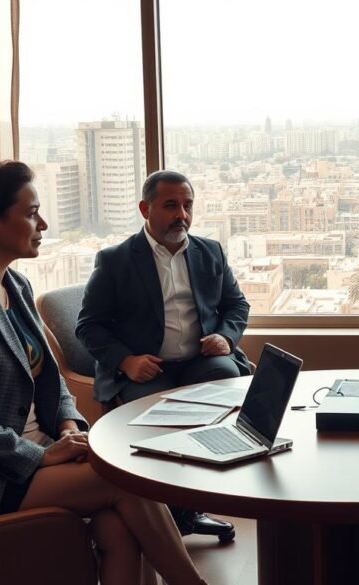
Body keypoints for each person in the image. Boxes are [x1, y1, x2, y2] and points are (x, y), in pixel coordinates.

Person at [0, 160, 208, 585]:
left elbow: (51, 380)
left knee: (118, 528)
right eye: (31, 212)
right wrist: (40, 456)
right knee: (129, 481)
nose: (43, 223)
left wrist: (66, 427)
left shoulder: (15, 286)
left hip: (26, 451)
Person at [77, 169, 251, 539]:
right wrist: (126, 360)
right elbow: (89, 326)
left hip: (200, 361)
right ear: (145, 208)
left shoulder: (211, 252)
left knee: (228, 383)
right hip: (146, 369)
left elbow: (236, 305)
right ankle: (164, 517)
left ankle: (190, 510)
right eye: (171, 205)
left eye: (187, 205)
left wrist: (226, 337)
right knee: (159, 423)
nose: (182, 215)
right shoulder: (115, 260)